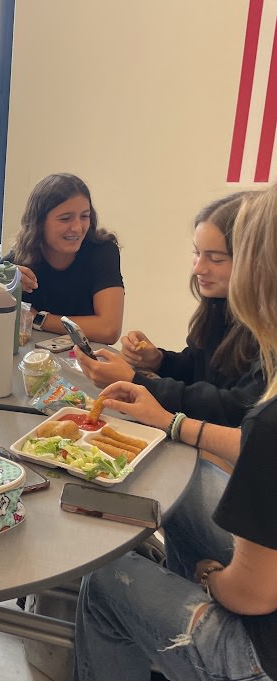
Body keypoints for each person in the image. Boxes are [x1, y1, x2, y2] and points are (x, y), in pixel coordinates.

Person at [75, 185, 277, 681]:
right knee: (185, 491)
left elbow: (254, 594)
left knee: (102, 583)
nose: (200, 268)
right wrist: (158, 366)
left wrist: (205, 576)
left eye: (220, 257)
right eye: (198, 254)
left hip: (261, 650)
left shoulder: (267, 424)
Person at [76, 192, 263, 427]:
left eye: (215, 259)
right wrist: (158, 361)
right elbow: (199, 367)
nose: (198, 269)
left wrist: (137, 380)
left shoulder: (265, 329)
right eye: (197, 253)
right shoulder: (219, 304)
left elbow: (236, 407)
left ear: (255, 262)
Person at [0, 173, 124, 344]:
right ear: (39, 222)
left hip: (83, 364)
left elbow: (109, 330)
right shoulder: (22, 258)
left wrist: (38, 319)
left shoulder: (102, 251)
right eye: (65, 219)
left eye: (84, 216)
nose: (78, 228)